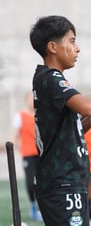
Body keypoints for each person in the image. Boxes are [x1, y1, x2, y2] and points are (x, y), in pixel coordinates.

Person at [30, 15, 91, 226]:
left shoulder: (52, 80)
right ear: (53, 47)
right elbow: (88, 105)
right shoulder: (50, 78)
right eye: (71, 41)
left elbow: (73, 128)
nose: (77, 48)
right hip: (61, 183)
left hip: (68, 182)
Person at [12, 92, 42, 222]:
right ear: (26, 101)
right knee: (31, 183)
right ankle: (33, 204)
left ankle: (42, 209)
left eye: (34, 98)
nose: (32, 101)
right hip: (28, 154)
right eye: (30, 98)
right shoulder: (20, 116)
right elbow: (15, 134)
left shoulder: (42, 115)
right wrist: (14, 147)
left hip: (42, 154)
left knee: (42, 183)